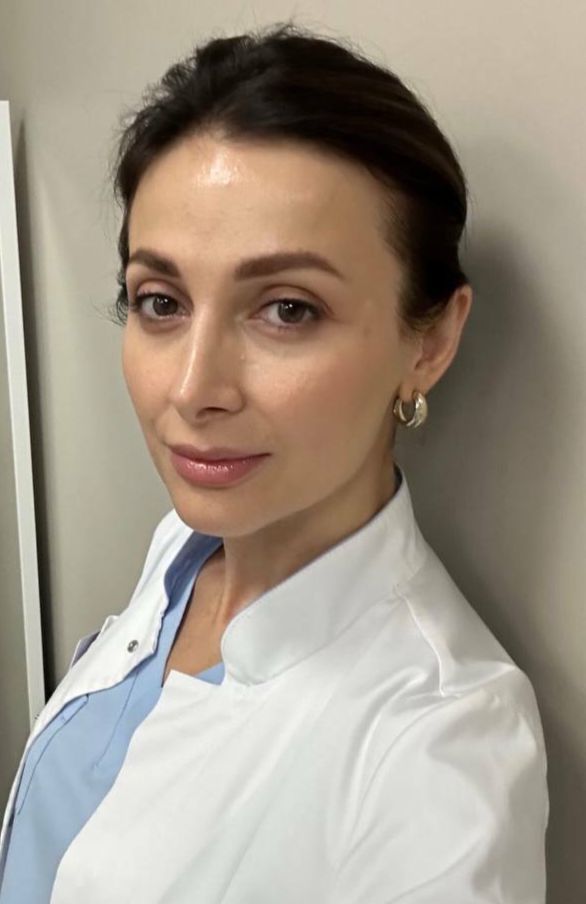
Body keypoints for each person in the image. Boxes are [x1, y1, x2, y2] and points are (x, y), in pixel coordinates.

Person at [0, 20, 548, 903]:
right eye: (160, 301)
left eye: (288, 309)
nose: (193, 390)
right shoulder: (188, 549)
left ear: (430, 342)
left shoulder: (441, 755)